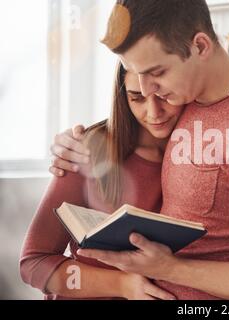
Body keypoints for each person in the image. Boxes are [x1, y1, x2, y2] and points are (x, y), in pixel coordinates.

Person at [48, 0, 229, 300]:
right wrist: (73, 142)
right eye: (136, 73)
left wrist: (170, 269)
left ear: (200, 46)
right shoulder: (185, 99)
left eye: (156, 72)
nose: (148, 90)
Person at [20, 62, 183, 300]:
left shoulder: (202, 153)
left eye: (164, 95)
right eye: (137, 97)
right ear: (122, 96)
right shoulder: (86, 152)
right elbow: (34, 263)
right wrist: (123, 285)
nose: (154, 112)